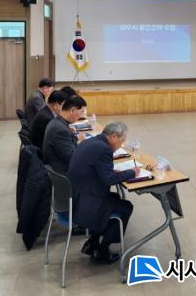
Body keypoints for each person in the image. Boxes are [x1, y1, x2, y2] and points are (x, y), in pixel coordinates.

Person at [68, 121, 138, 263]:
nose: (121, 144)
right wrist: (132, 172)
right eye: (122, 140)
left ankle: (93, 243)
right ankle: (102, 249)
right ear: (113, 136)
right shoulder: (104, 149)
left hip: (75, 196)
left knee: (115, 197)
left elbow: (95, 168)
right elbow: (109, 180)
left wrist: (111, 171)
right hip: (86, 203)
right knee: (126, 207)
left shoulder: (90, 142)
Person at [42, 95, 87, 174]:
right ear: (73, 110)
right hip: (63, 171)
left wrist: (77, 139)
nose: (82, 115)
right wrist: (84, 145)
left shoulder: (57, 122)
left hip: (58, 166)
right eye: (81, 112)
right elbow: (73, 157)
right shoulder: (61, 130)